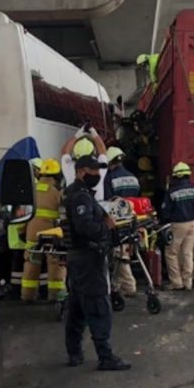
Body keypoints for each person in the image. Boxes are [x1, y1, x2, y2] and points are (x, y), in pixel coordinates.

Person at [62, 154, 131, 371]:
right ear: (81, 171)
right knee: (98, 305)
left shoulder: (77, 193)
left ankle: (75, 353)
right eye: (93, 171)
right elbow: (85, 227)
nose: (98, 175)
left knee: (77, 307)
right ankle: (105, 356)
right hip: (87, 258)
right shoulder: (80, 196)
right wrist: (106, 228)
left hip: (79, 258)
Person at [21, 159, 66, 302]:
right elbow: (63, 215)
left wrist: (23, 231)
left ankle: (27, 295)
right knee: (55, 263)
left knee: (31, 263)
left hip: (32, 232)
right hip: (51, 233)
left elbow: (24, 214)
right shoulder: (57, 192)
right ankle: (55, 295)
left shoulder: (31, 190)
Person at [103, 146, 141, 297]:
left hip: (117, 221)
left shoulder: (110, 178)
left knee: (120, 254)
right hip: (132, 219)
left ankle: (129, 285)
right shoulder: (133, 177)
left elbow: (106, 201)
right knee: (124, 251)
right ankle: (116, 285)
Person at [160, 162, 194, 290]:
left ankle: (176, 282)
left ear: (176, 176)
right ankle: (188, 282)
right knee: (187, 253)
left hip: (178, 224)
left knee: (171, 253)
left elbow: (165, 211)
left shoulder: (172, 192)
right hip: (192, 223)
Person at [60, 126, 110, 200]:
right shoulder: (98, 169)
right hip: (98, 206)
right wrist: (94, 134)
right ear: (93, 152)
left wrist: (77, 135)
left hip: (73, 205)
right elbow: (102, 151)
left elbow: (65, 151)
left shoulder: (69, 167)